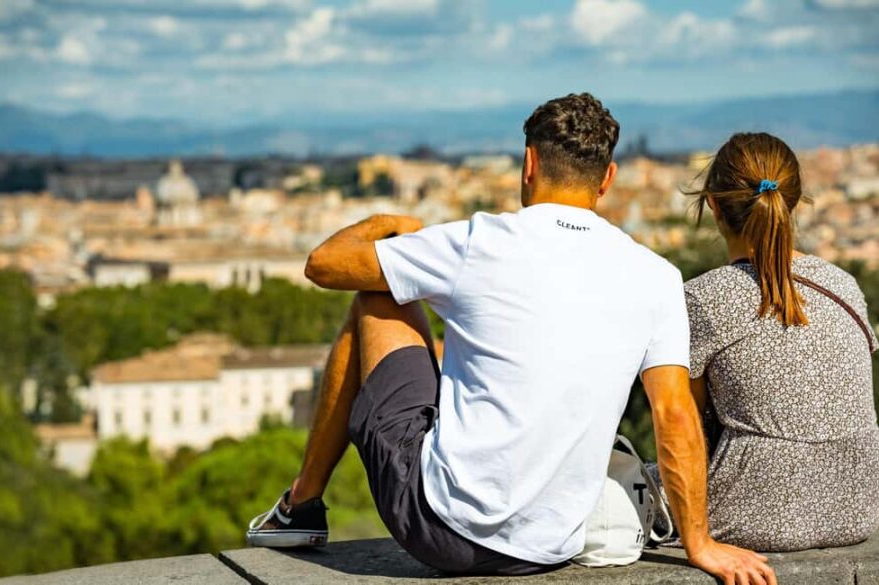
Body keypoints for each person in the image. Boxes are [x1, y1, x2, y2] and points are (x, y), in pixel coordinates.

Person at [246, 94, 775, 584]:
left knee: (378, 294)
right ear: (607, 179)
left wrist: (392, 222)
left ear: (529, 164)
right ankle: (301, 504)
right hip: (550, 545)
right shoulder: (655, 274)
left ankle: (301, 505)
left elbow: (323, 265)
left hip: (439, 527)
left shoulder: (480, 241)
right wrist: (699, 543)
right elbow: (675, 416)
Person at [670, 132, 879, 551]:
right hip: (857, 508)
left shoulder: (702, 298)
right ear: (794, 202)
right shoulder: (845, 284)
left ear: (712, 204)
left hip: (752, 515)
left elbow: (687, 427)